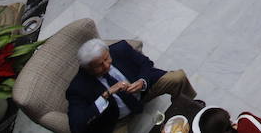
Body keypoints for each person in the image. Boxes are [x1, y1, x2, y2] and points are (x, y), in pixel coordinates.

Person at [67, 37, 197, 133]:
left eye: (107, 59)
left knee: (177, 77)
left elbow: (146, 63)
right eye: (99, 65)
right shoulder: (77, 89)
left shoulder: (121, 49)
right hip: (116, 118)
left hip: (143, 93)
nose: (106, 65)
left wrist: (142, 81)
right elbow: (77, 125)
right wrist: (106, 95)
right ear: (88, 68)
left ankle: (189, 105)